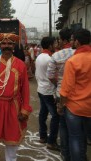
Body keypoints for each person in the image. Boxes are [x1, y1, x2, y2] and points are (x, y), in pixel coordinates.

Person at [0, 33, 32, 161]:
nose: (6, 46)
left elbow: (25, 89)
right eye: (4, 44)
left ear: (13, 46)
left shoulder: (20, 65)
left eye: (9, 44)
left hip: (13, 106)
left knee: (12, 141)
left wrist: (25, 109)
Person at [59, 28, 91, 161]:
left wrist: (61, 106)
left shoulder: (73, 61)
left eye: (72, 39)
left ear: (77, 42)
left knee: (76, 138)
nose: (71, 41)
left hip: (75, 108)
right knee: (84, 137)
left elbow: (66, 89)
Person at [47, 28, 74, 161]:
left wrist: (58, 83)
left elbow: (50, 76)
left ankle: (65, 153)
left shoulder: (56, 56)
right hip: (79, 95)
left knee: (63, 125)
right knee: (77, 129)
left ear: (62, 40)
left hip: (60, 93)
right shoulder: (79, 54)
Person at [35, 37, 60, 150]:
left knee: (43, 113)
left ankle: (43, 136)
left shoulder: (39, 56)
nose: (56, 44)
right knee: (55, 115)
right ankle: (51, 141)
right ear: (50, 45)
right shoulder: (50, 58)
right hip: (48, 90)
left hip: (41, 88)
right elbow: (52, 76)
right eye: (54, 43)